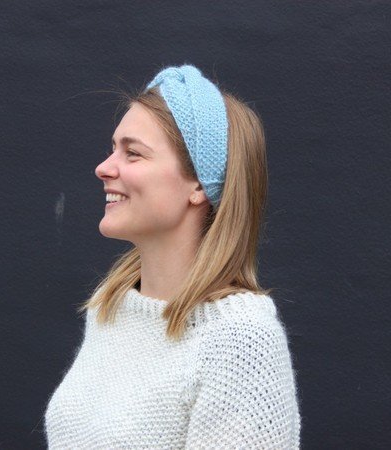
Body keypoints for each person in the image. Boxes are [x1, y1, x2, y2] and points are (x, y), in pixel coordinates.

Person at [44, 64, 301, 449]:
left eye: (133, 153)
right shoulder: (111, 309)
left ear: (198, 184)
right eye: (113, 149)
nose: (104, 168)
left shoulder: (239, 341)